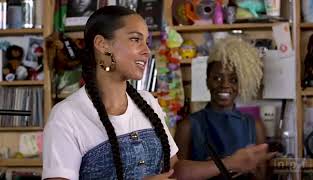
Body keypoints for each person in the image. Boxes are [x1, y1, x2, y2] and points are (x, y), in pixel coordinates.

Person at [42, 6, 274, 180]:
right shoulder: (67, 116)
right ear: (102, 44)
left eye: (147, 41)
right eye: (135, 39)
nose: (146, 51)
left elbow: (175, 170)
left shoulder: (148, 102)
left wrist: (231, 162)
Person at [174, 36, 272, 180]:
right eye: (217, 78)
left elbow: (262, 176)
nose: (225, 85)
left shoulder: (255, 126)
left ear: (240, 84)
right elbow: (176, 175)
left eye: (233, 79)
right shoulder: (187, 126)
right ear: (207, 81)